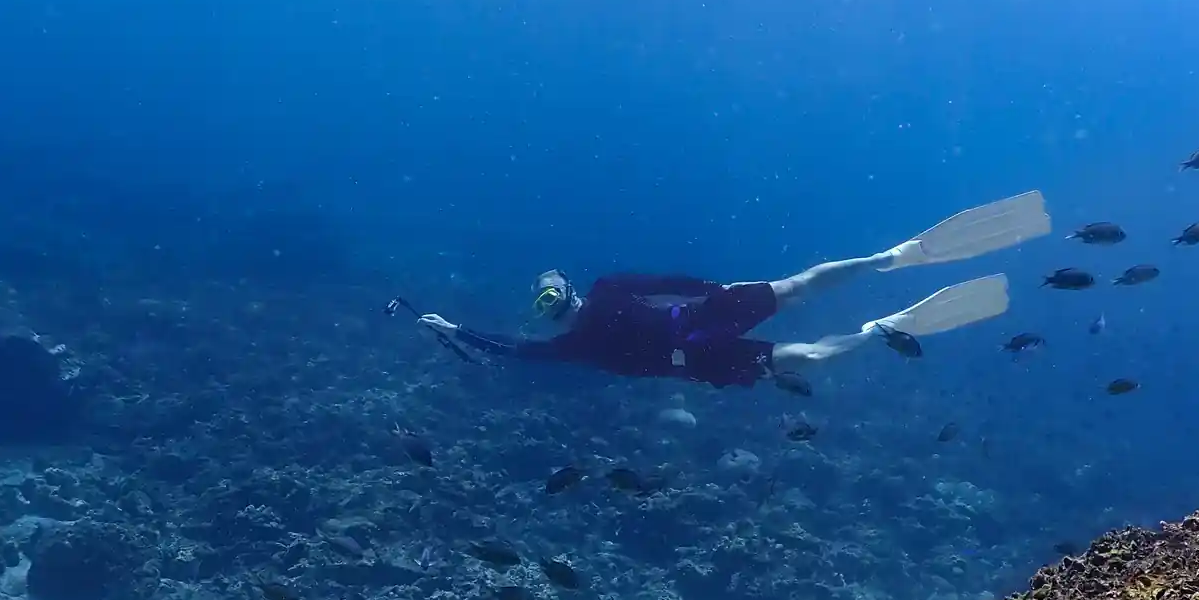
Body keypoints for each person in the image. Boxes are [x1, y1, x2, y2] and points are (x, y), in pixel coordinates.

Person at [392, 191, 1050, 388]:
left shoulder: (599, 301)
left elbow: (664, 280)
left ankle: (887, 267)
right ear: (550, 310)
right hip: (699, 348)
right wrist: (458, 331)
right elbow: (516, 351)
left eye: (550, 289)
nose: (554, 302)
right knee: (804, 341)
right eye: (544, 302)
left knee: (798, 294)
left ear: (565, 281)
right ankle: (881, 320)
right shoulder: (577, 342)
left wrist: (714, 288)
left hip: (700, 322)